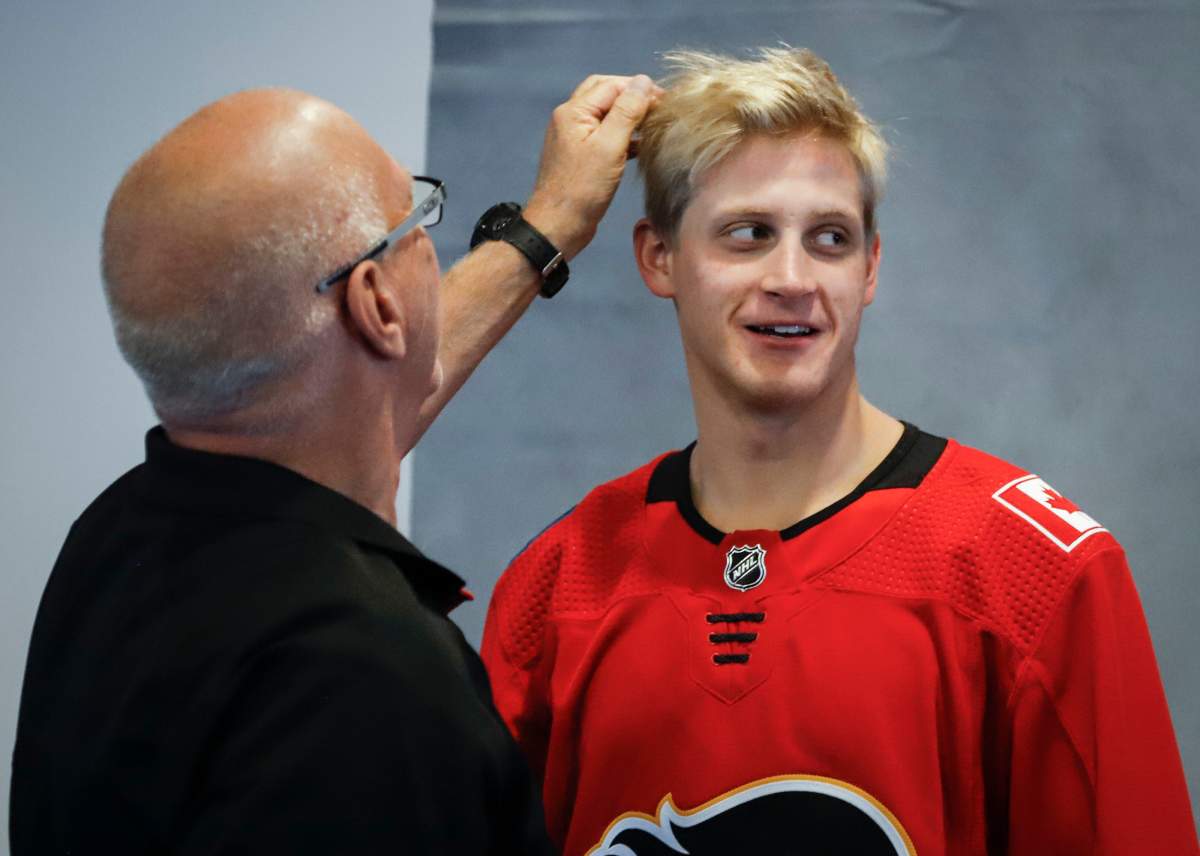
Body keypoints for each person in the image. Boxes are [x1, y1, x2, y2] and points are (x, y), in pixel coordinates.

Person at [481, 47, 1199, 855]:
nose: (793, 277)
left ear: (871, 268)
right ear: (658, 257)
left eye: (829, 238)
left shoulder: (1033, 574)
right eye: (748, 234)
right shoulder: (561, 584)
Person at [10, 74, 656, 854]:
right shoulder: (373, 686)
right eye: (417, 218)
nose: (429, 240)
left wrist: (546, 225)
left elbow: (365, 394)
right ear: (377, 306)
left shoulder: (116, 538)